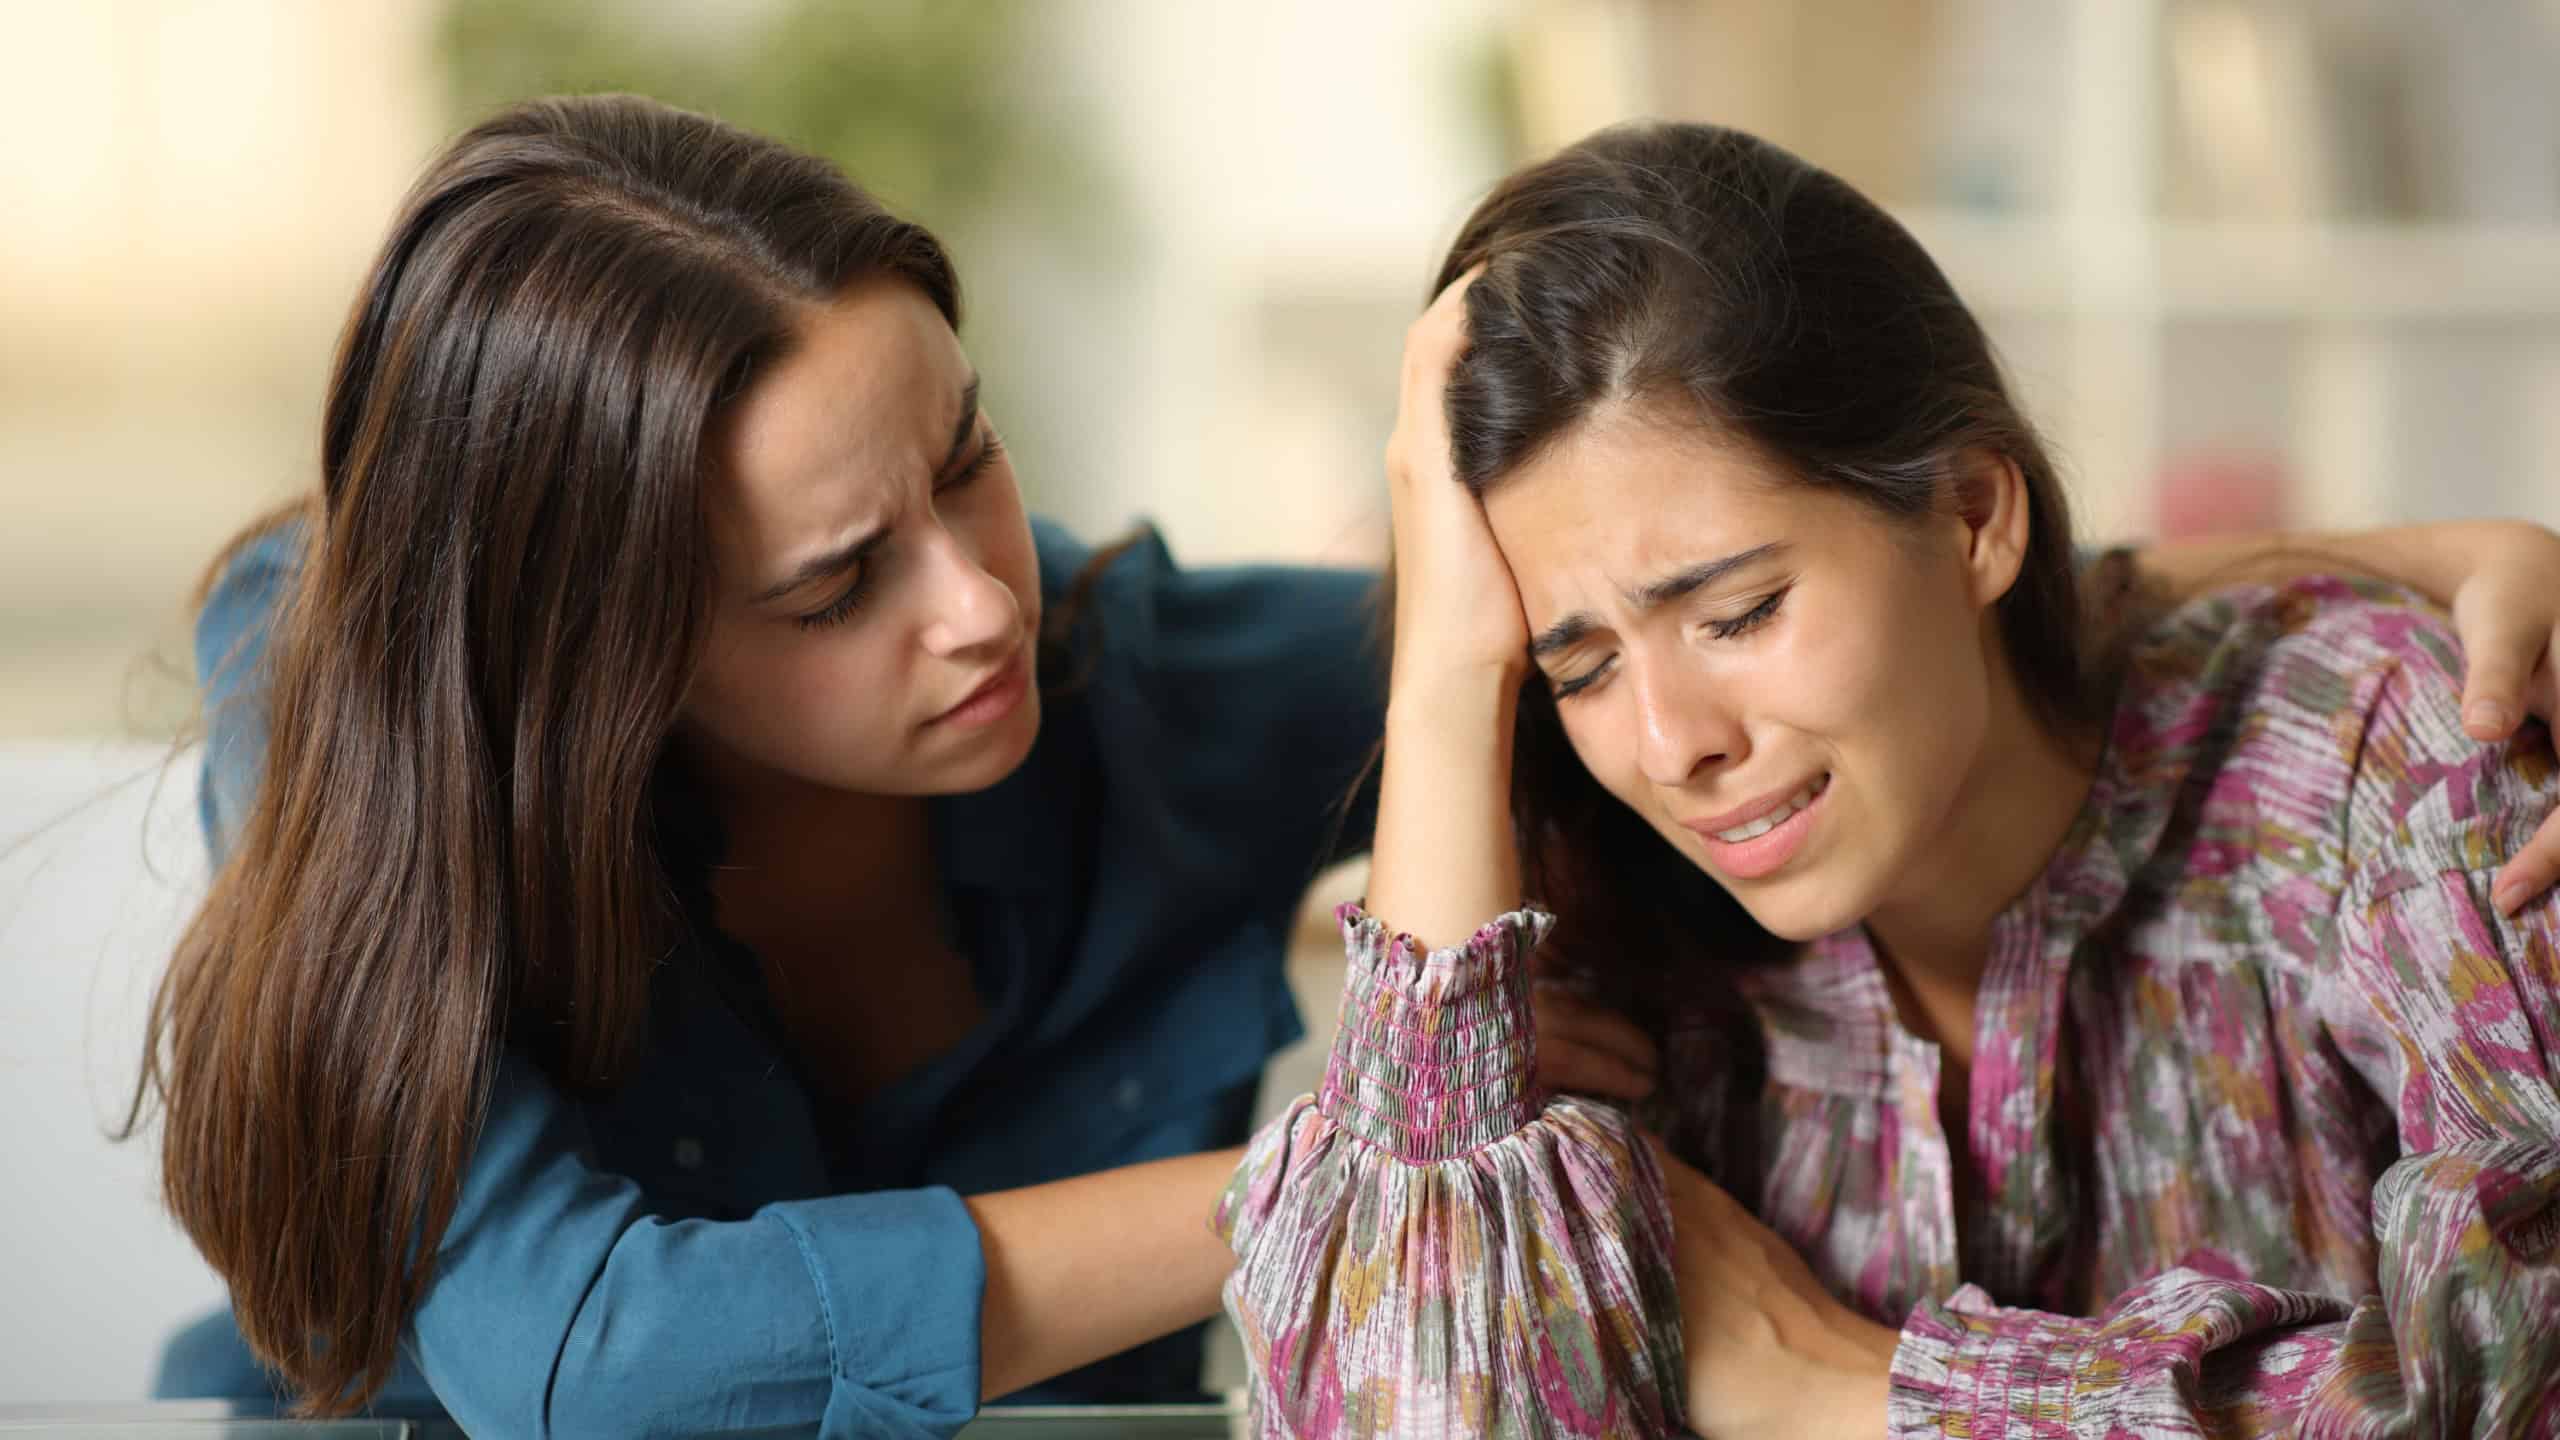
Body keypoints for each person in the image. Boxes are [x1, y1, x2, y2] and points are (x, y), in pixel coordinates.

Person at [142, 97, 2560, 1438]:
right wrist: (1340, 1184)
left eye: (971, 465)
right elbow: (591, 1364)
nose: (986, 598)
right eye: (830, 585)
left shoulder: (1136, 682)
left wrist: (2329, 571)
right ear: (597, 664)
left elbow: (1783, 563)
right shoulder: (363, 687)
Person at [1219, 121, 2560, 1438]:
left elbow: (2523, 1379)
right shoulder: (1592, 949)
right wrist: (1449, 685)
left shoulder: (2371, 759)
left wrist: (1842, 1387)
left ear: (1973, 516)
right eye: (1576, 669)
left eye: (1738, 612)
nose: (1674, 742)